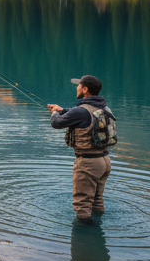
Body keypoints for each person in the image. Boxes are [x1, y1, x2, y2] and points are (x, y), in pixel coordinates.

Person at [48, 74, 115, 225]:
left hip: (88, 164)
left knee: (82, 206)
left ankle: (86, 239)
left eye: (79, 85)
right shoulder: (104, 107)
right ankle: (98, 228)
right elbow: (78, 114)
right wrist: (61, 110)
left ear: (85, 89)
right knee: (97, 200)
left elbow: (56, 123)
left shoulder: (80, 111)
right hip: (104, 161)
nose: (77, 87)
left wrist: (54, 113)